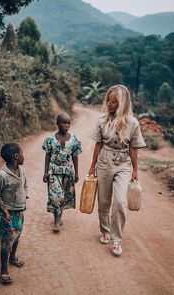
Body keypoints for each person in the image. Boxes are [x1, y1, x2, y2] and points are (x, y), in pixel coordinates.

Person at [88, 85, 146, 256]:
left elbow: (134, 148)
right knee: (104, 201)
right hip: (104, 161)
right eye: (108, 100)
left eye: (113, 102)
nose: (109, 104)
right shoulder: (102, 121)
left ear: (122, 104)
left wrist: (135, 170)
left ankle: (116, 239)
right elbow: (98, 144)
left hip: (123, 163)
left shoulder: (133, 123)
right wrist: (92, 166)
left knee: (120, 201)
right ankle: (105, 231)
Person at [0, 143, 28, 284]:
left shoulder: (21, 170)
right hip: (6, 213)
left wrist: (26, 196)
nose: (23, 156)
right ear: (16, 156)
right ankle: (3, 270)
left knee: (17, 234)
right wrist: (4, 211)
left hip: (19, 210)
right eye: (22, 153)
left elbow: (25, 185)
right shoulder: (2, 175)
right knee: (6, 239)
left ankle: (12, 257)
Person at [42, 113, 82, 232]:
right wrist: (45, 172)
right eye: (63, 123)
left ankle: (59, 216)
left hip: (68, 172)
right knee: (56, 196)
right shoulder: (50, 139)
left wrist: (76, 173)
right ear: (57, 124)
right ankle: (56, 221)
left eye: (68, 123)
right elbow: (47, 155)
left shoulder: (74, 140)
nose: (66, 125)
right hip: (53, 171)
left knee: (64, 196)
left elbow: (75, 157)